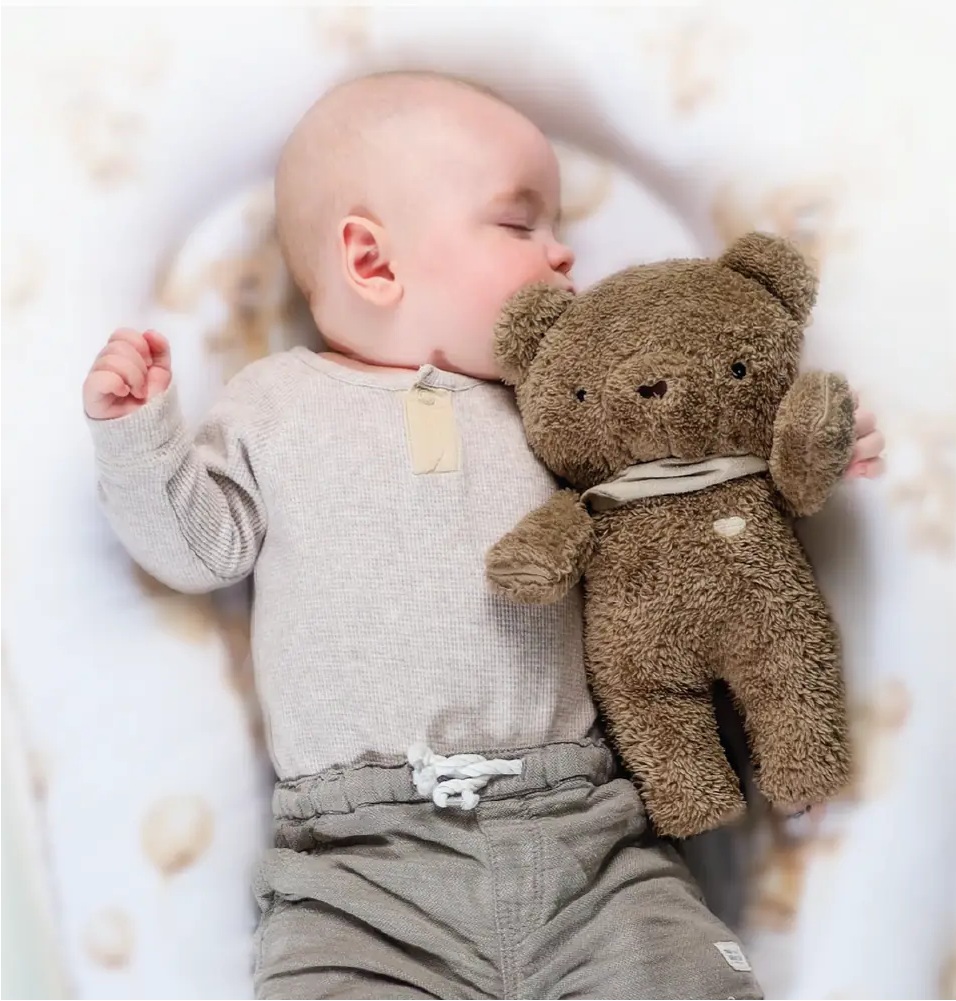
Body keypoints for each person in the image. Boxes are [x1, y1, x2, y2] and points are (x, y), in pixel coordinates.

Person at [82, 70, 884, 1000]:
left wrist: (800, 447)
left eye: (557, 228)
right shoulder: (274, 403)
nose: (561, 254)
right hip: (359, 871)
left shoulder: (559, 418)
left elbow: (681, 508)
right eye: (519, 223)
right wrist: (138, 438)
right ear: (373, 261)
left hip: (586, 836)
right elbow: (199, 546)